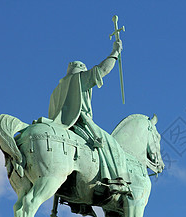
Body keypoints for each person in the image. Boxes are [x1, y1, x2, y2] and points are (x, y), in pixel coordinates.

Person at [48, 40, 130, 194]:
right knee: (111, 144)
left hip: (58, 125)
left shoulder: (56, 89)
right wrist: (115, 52)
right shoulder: (78, 79)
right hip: (80, 122)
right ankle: (116, 181)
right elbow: (102, 70)